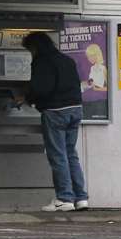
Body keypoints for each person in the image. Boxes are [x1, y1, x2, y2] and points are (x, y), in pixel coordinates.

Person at [24, 31, 88, 212]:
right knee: (70, 154)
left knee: (58, 155)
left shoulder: (42, 62)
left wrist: (29, 99)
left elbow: (40, 88)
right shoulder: (67, 60)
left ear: (35, 47)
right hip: (75, 110)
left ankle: (64, 198)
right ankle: (81, 198)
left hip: (56, 111)